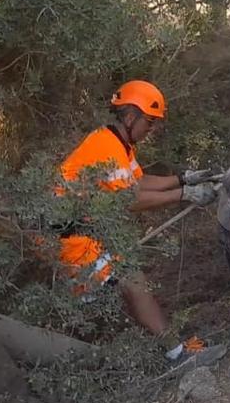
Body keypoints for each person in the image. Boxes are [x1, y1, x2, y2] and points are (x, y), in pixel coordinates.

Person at [57, 80, 219, 362]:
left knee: (123, 286)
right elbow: (129, 200)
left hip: (82, 234)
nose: (152, 129)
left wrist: (184, 179)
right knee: (132, 279)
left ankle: (134, 350)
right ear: (130, 117)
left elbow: (137, 183)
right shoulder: (105, 145)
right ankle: (176, 354)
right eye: (150, 121)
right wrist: (185, 194)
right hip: (69, 240)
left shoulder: (118, 144)